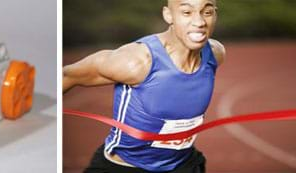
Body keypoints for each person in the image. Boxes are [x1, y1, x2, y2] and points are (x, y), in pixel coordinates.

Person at [63, 0, 226, 172]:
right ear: (168, 15)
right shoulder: (136, 61)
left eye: (207, 12)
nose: (199, 22)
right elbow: (67, 76)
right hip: (124, 167)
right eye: (187, 13)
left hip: (183, 164)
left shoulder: (215, 54)